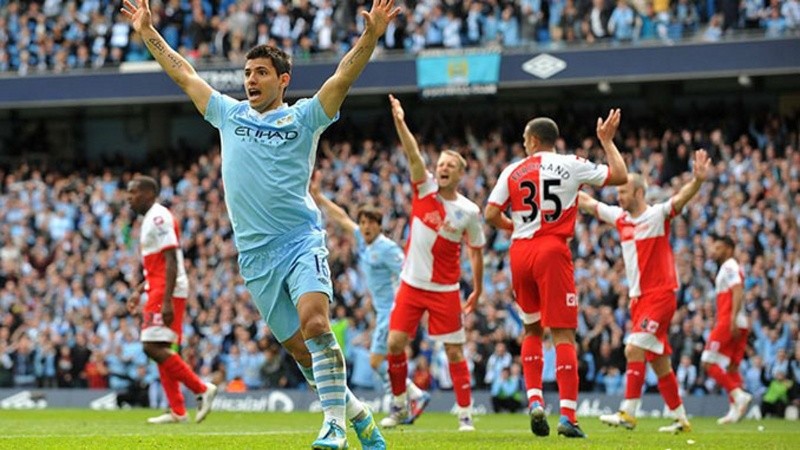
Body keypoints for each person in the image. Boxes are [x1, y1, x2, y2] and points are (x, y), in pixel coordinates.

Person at [120, 0, 399, 446]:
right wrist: (148, 33)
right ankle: (360, 415)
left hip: (300, 240)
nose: (251, 80)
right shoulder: (228, 115)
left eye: (261, 73)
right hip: (255, 256)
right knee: (298, 349)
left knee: (316, 325)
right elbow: (184, 73)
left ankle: (334, 426)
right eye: (248, 73)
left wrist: (371, 35)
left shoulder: (306, 116)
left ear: (283, 79)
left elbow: (343, 75)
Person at [485, 110, 628, 438]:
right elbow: (620, 175)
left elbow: (491, 212)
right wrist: (606, 140)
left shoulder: (512, 170)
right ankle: (568, 416)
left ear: (534, 140)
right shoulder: (571, 163)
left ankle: (534, 400)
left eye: (524, 140)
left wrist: (514, 227)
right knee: (563, 334)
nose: (523, 145)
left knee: (531, 329)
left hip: (520, 252)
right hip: (552, 249)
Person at [577, 149, 712, 434]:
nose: (619, 196)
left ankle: (628, 412)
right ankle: (681, 419)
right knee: (659, 362)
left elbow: (680, 198)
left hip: (660, 295)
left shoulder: (657, 215)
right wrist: (566, 187)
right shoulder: (621, 218)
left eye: (624, 192)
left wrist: (698, 181)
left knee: (633, 348)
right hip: (638, 300)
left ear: (639, 193)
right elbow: (589, 203)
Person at [380, 94, 485, 432]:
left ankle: (466, 414)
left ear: (460, 175)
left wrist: (478, 288)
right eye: (440, 163)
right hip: (412, 285)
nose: (442, 168)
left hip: (445, 290)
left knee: (455, 351)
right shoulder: (423, 188)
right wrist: (400, 121)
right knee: (394, 344)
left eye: (450, 166)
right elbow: (412, 152)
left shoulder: (469, 212)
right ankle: (398, 406)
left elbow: (476, 250)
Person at [310, 176, 431, 421]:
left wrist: (411, 306)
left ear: (379, 226)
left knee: (377, 360)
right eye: (363, 222)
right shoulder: (364, 243)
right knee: (379, 361)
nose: (364, 227)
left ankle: (404, 403)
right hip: (382, 310)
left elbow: (407, 273)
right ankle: (412, 395)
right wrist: (320, 197)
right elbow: (342, 218)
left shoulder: (386, 249)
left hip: (393, 310)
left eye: (370, 223)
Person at [126, 176, 217, 424]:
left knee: (151, 346)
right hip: (158, 287)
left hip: (167, 290)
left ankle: (201, 389)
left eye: (132, 193)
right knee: (162, 348)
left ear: (147, 194)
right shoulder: (149, 220)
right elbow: (157, 264)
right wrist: (140, 288)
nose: (128, 198)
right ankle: (178, 411)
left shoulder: (159, 218)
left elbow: (171, 259)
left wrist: (165, 301)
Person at [701, 234, 753, 424]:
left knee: (708, 362)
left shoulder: (729, 266)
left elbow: (737, 289)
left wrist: (731, 319)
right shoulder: (730, 267)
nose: (714, 251)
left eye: (718, 248)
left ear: (729, 249)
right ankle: (734, 410)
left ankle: (739, 395)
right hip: (738, 321)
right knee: (731, 367)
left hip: (729, 320)